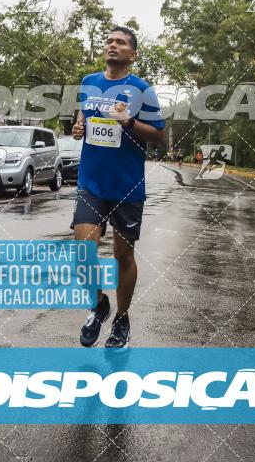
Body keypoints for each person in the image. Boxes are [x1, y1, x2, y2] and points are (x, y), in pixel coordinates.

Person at [71, 26, 165, 348]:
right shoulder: (88, 83)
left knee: (123, 257)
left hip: (127, 186)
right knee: (83, 252)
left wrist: (129, 122)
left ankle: (121, 320)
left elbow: (159, 135)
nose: (113, 45)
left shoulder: (143, 90)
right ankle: (99, 305)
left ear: (132, 54)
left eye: (121, 42)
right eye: (110, 41)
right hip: (91, 182)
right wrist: (79, 126)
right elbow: (84, 121)